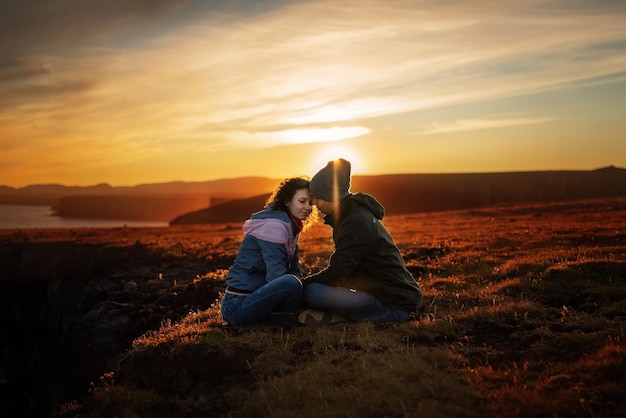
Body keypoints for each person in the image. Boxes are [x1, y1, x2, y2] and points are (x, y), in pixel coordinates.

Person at [299, 158, 423, 325]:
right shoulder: (352, 215)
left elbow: (339, 272)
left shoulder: (355, 221)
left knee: (312, 292)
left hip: (391, 304)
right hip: (390, 295)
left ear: (331, 195)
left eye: (317, 197)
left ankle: (341, 317)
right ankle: (341, 314)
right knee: (315, 288)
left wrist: (303, 284)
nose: (313, 203)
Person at [220, 177, 314, 326]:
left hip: (258, 299)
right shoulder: (274, 227)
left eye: (311, 203)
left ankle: (291, 316)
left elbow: (295, 268)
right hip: (238, 306)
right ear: (287, 201)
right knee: (290, 282)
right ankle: (296, 316)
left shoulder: (291, 226)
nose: (308, 207)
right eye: (302, 201)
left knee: (305, 285)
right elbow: (276, 276)